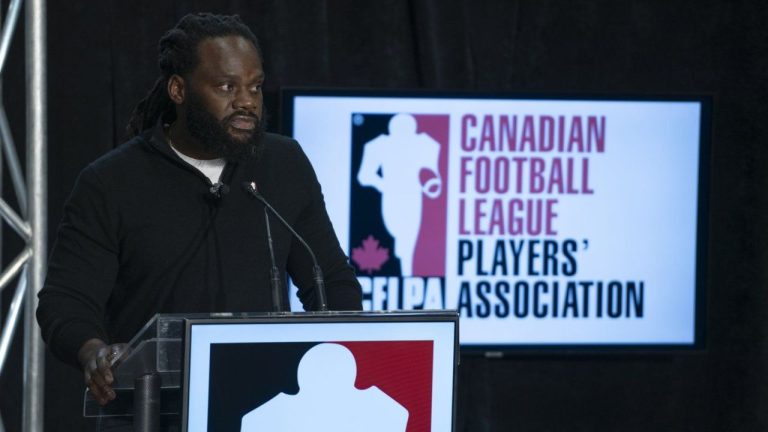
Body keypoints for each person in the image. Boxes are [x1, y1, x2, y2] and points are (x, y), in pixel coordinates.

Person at [36, 11, 362, 421]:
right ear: (178, 89)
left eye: (255, 87)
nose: (246, 102)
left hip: (265, 411)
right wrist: (94, 352)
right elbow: (65, 301)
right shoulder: (111, 182)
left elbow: (330, 280)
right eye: (227, 87)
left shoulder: (283, 165)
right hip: (151, 414)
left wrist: (340, 351)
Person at [356, 113, 442, 275]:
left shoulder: (425, 144)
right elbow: (364, 175)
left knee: (409, 240)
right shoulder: (379, 145)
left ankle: (406, 271)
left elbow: (433, 175)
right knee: (398, 237)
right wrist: (384, 184)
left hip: (413, 197)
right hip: (391, 198)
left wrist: (429, 185)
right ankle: (403, 270)